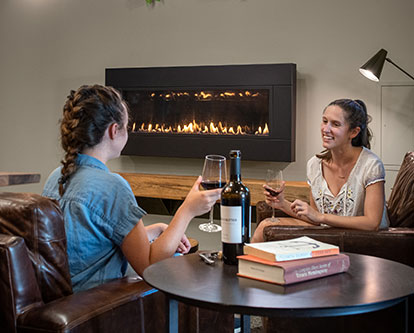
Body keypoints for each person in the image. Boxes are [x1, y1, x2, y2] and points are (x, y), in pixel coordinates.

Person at [42, 84, 221, 292]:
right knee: (182, 273)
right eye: (126, 127)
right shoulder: (113, 187)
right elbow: (149, 266)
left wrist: (155, 230)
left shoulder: (57, 176)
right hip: (94, 304)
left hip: (62, 300)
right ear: (113, 130)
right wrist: (188, 210)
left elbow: (90, 243)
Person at [252, 99, 389, 243]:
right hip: (328, 234)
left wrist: (321, 217)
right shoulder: (314, 165)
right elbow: (314, 218)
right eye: (324, 121)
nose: (326, 129)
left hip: (364, 241)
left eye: (335, 124)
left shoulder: (371, 165)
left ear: (353, 132)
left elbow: (372, 223)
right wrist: (282, 203)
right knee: (265, 226)